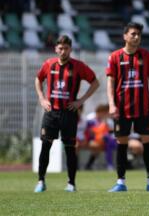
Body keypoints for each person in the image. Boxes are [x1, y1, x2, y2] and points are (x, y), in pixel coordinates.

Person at [106, 22, 149, 192]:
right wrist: (111, 104)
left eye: (139, 34)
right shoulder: (115, 57)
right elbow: (110, 82)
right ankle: (120, 182)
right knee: (122, 143)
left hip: (143, 109)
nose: (136, 37)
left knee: (148, 142)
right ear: (125, 36)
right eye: (133, 34)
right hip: (122, 109)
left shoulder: (146, 56)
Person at [34, 35, 99, 192]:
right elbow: (38, 79)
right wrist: (42, 99)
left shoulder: (78, 66)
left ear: (70, 49)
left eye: (66, 48)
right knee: (46, 146)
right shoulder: (49, 64)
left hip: (69, 114)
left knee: (70, 148)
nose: (63, 51)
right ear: (56, 48)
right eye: (60, 48)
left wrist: (80, 101)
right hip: (51, 113)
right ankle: (41, 181)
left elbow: (95, 82)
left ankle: (71, 183)